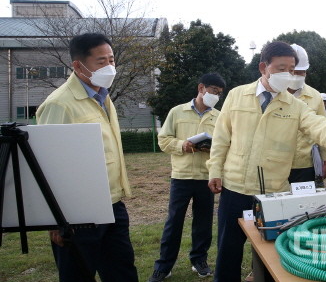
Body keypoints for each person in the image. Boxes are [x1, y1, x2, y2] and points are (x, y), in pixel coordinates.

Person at [206, 41, 326, 282]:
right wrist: (214, 171)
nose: (288, 75)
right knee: (228, 251)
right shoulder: (237, 96)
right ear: (264, 67)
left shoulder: (295, 105)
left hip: (274, 193)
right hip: (235, 188)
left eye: (292, 69)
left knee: (272, 254)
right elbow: (221, 138)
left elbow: (320, 126)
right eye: (282, 68)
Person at [36, 33, 138, 282]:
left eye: (112, 59)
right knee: (78, 275)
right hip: (77, 215)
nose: (109, 66)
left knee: (122, 271)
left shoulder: (103, 95)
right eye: (100, 61)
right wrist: (56, 220)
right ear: (78, 65)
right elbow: (48, 165)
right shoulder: (60, 104)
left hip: (112, 204)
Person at [148, 73, 226, 282]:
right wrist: (182, 145)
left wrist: (211, 149)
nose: (216, 96)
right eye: (213, 91)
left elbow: (224, 146)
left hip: (206, 176)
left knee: (203, 222)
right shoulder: (177, 112)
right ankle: (164, 265)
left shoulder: (219, 117)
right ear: (201, 88)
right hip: (181, 176)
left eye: (219, 93)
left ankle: (199, 260)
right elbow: (164, 140)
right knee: (174, 221)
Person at [287, 44, 326, 185]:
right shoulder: (272, 94)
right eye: (294, 72)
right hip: (277, 164)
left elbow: (322, 129)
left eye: (301, 72)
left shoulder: (315, 96)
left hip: (305, 164)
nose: (297, 76)